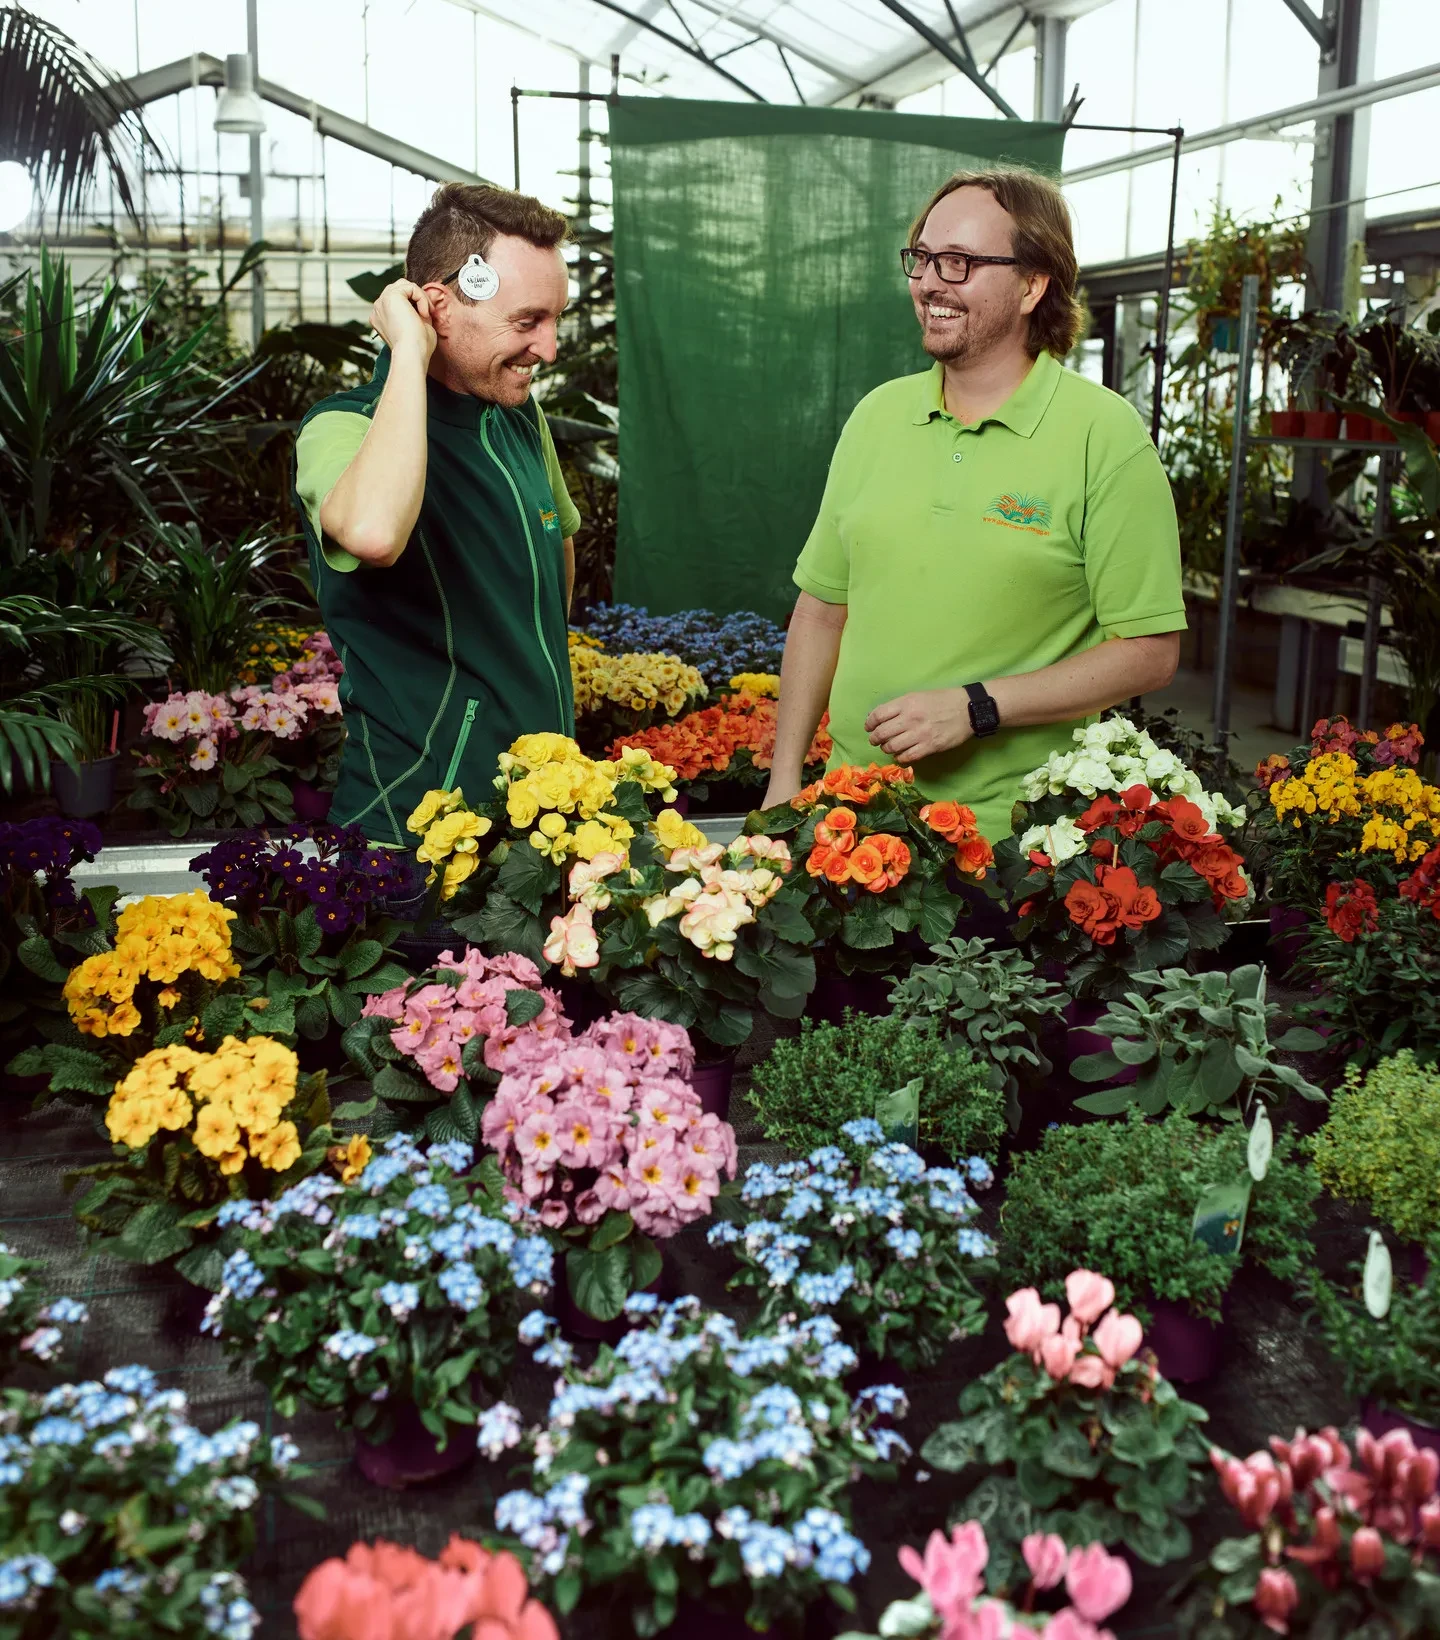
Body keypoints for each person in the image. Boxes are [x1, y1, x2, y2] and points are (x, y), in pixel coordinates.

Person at [762, 167, 1184, 846]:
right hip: (846, 823)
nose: (930, 282)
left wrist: (978, 708)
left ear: (1031, 284)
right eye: (922, 259)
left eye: (959, 262)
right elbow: (821, 610)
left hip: (1009, 845)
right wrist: (787, 783)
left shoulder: (1103, 437)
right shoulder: (878, 416)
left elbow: (1149, 650)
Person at [292, 183, 581, 846]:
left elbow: (557, 542)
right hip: (413, 833)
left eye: (555, 319)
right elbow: (372, 533)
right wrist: (408, 350)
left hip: (534, 819)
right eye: (527, 321)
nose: (550, 349)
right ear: (439, 308)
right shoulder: (341, 429)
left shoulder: (516, 418)